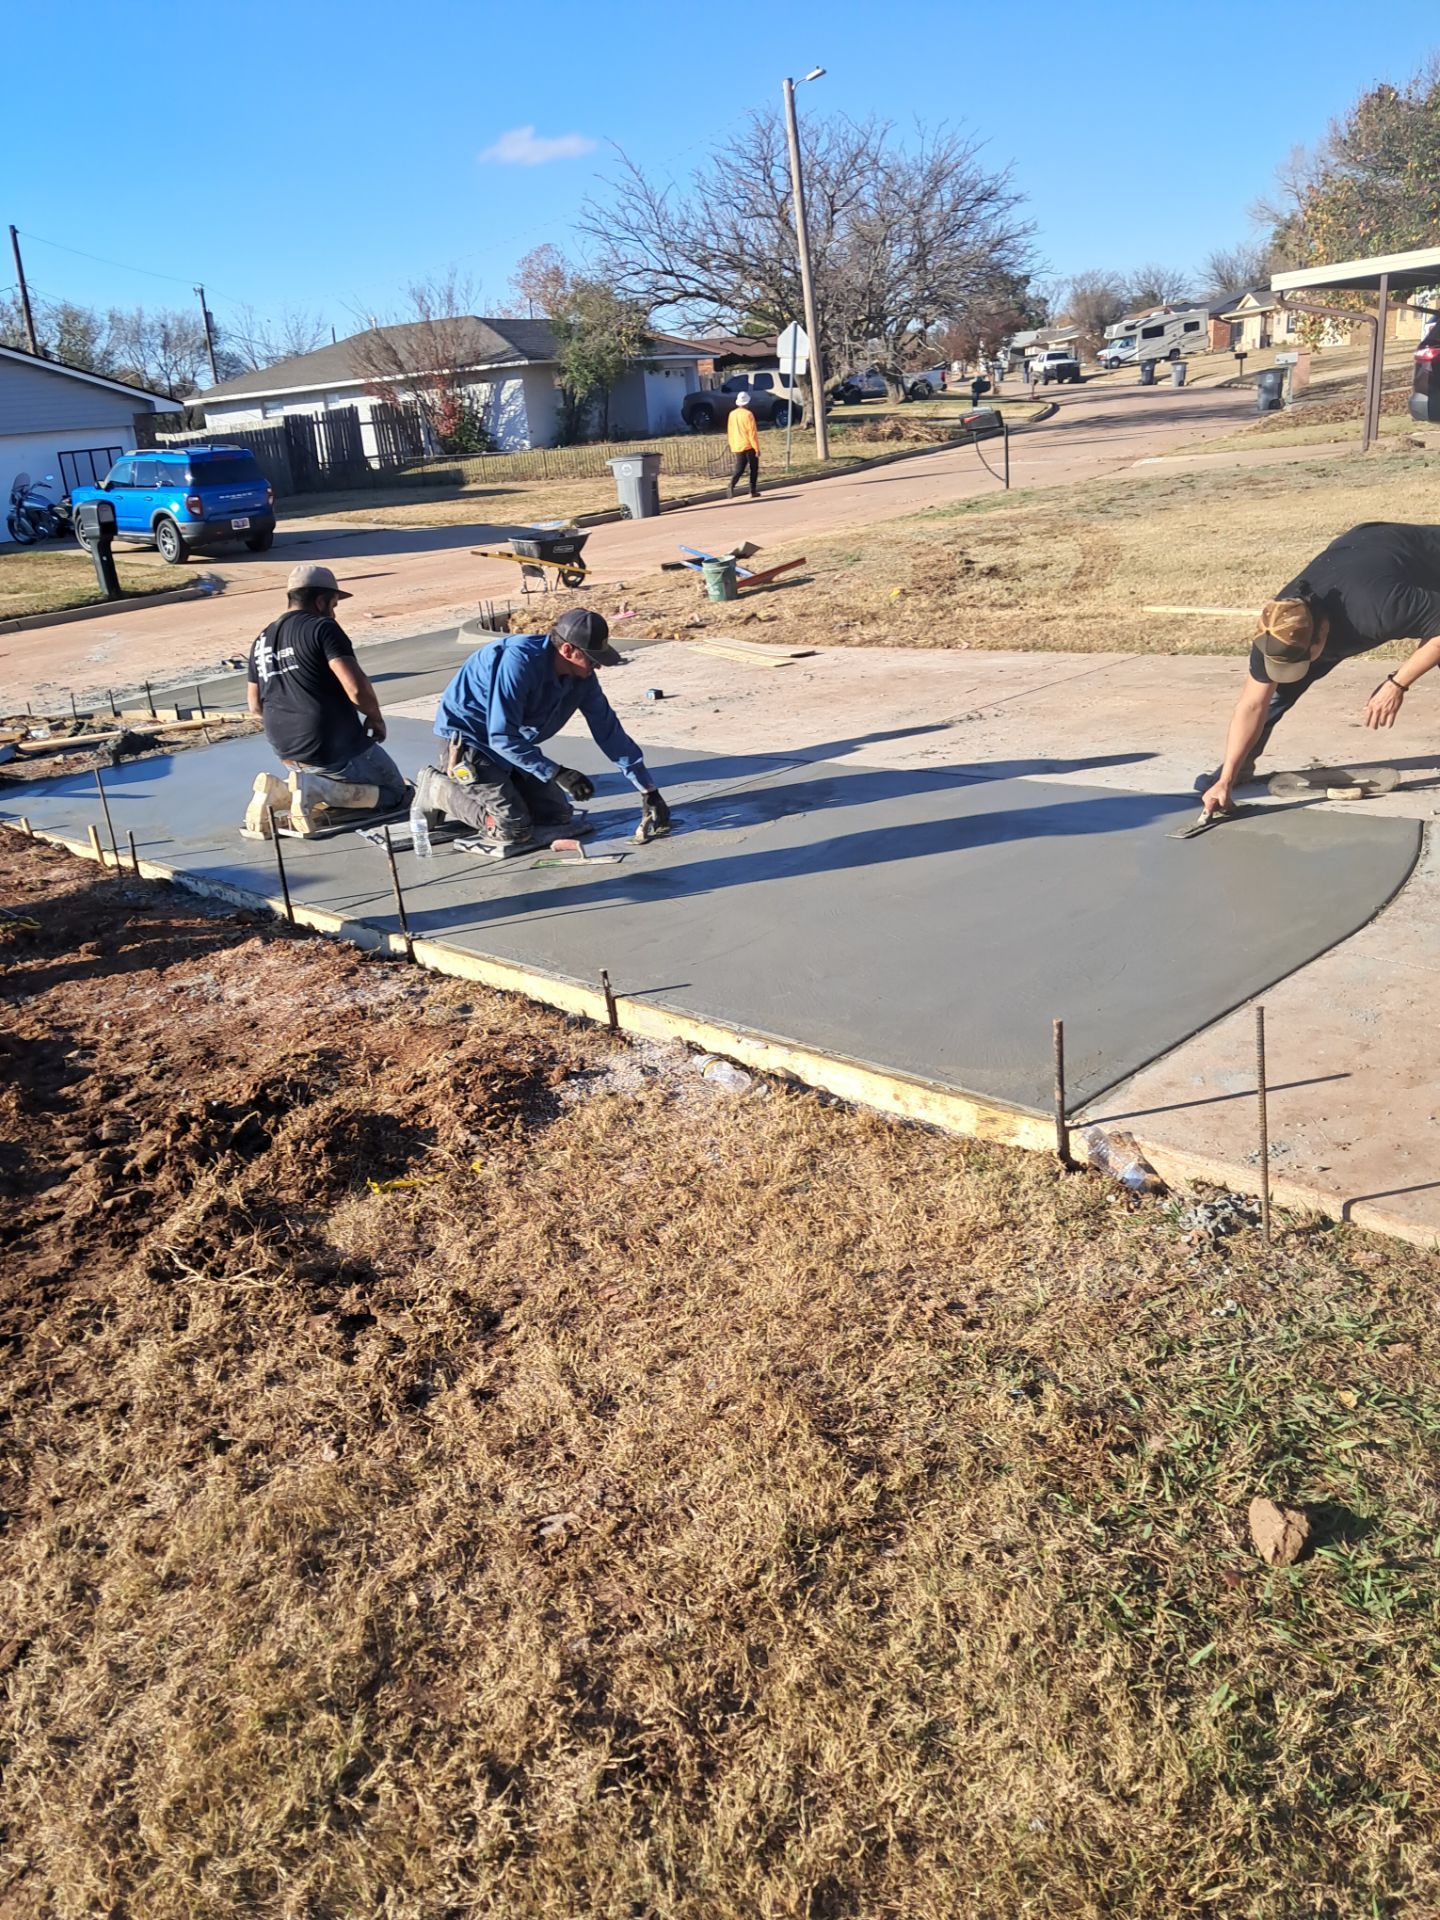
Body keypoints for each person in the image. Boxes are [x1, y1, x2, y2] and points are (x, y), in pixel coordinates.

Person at [1200, 522, 1440, 816]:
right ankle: (1237, 768)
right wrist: (1226, 778)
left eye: (1302, 661)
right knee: (1276, 694)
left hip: (1423, 559)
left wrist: (1397, 684)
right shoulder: (1278, 629)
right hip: (1355, 552)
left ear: (1322, 635)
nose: (1294, 670)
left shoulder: (1378, 609)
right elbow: (1252, 705)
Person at [415, 608, 671, 849]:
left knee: (557, 815)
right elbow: (501, 735)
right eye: (593, 658)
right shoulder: (519, 662)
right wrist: (557, 772)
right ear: (569, 650)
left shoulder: (583, 679)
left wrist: (648, 790)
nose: (598, 666)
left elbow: (608, 730)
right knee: (514, 827)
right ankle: (438, 789)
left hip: (511, 745)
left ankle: (502, 787)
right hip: (469, 740)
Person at [244, 564, 405, 836]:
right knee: (395, 792)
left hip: (287, 751)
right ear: (320, 602)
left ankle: (282, 791)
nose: (333, 612)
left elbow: (255, 705)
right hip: (331, 748)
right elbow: (355, 688)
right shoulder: (322, 627)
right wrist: (375, 718)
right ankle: (317, 789)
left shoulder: (261, 639)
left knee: (328, 780)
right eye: (333, 605)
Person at [727, 390, 760, 499]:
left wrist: (732, 444)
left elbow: (730, 431)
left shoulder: (732, 414)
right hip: (749, 445)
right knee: (753, 468)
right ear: (747, 403)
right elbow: (752, 432)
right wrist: (757, 448)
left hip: (737, 445)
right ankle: (752, 490)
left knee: (739, 468)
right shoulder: (748, 414)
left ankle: (731, 484)